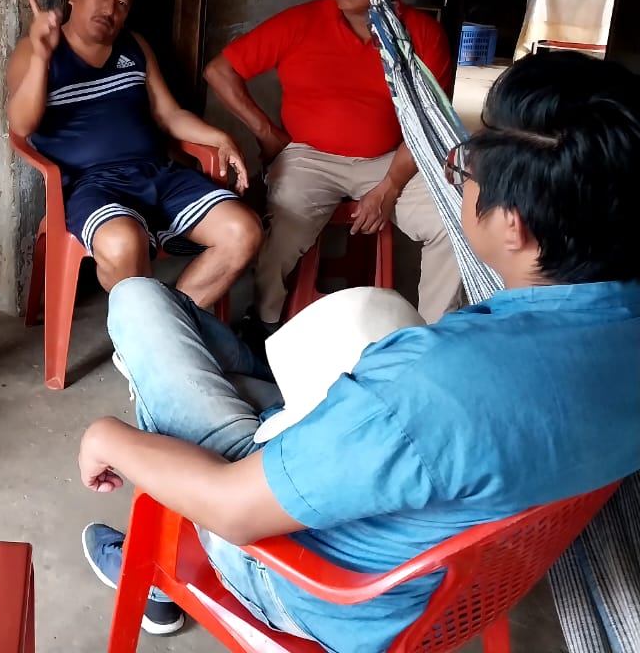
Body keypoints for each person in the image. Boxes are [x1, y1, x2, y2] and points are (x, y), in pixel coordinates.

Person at [78, 50, 640, 650]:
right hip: (453, 582)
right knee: (214, 344)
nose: (461, 175)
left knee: (138, 302)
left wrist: (107, 439)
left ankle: (156, 560)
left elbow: (233, 508)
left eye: (470, 167)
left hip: (314, 585)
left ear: (514, 226)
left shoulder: (435, 382)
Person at [205, 0, 459, 337]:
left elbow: (428, 123)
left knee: (453, 220)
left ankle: (435, 338)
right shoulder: (301, 22)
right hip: (310, 157)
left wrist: (390, 187)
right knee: (284, 220)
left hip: (392, 159)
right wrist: (266, 132)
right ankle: (264, 323)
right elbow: (219, 71)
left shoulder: (422, 36)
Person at [7, 0, 261, 310]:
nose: (110, 9)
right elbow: (21, 125)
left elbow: (169, 115)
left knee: (243, 231)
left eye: (122, 3)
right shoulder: (32, 52)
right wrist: (41, 57)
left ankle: (168, 322)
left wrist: (220, 137)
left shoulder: (135, 47)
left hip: (158, 174)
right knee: (124, 244)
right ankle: (155, 330)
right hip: (90, 185)